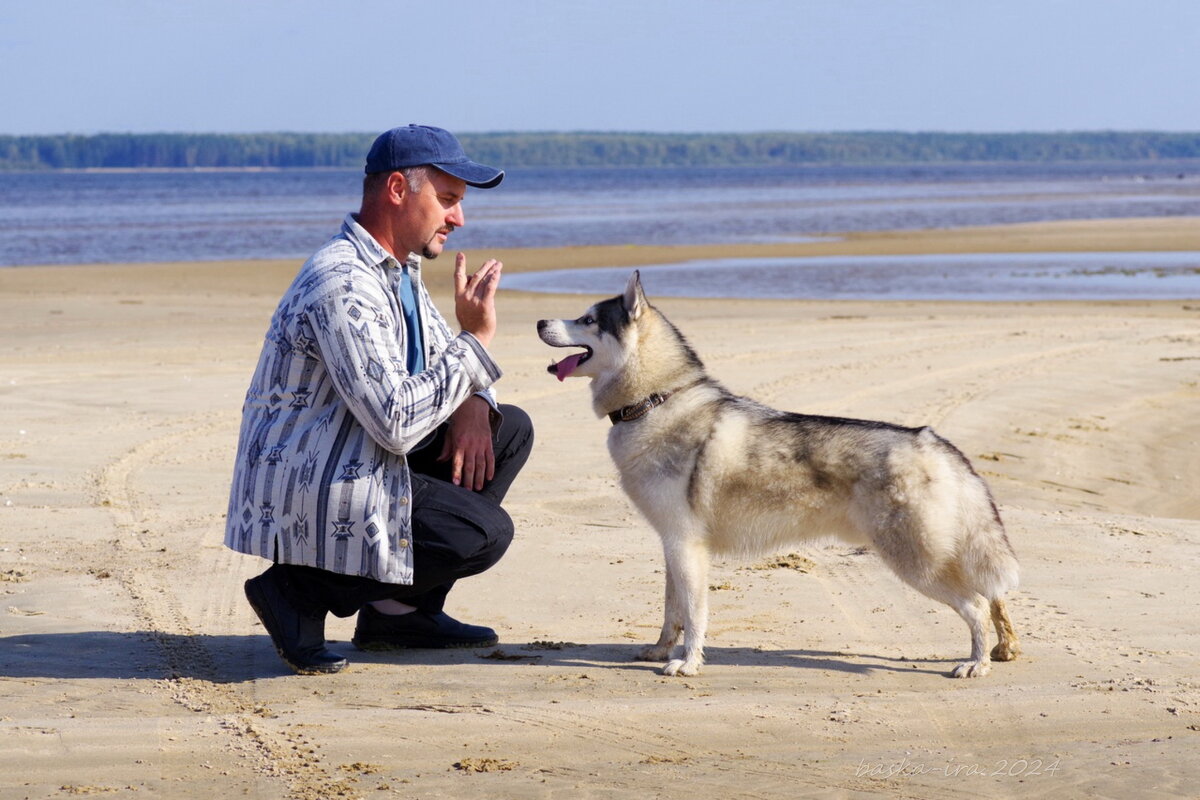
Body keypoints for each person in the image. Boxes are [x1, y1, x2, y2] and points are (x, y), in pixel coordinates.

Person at [225, 124, 533, 674]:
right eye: (448, 200)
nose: (458, 219)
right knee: (482, 535)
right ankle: (294, 591)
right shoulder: (343, 280)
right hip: (312, 486)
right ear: (397, 190)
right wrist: (476, 342)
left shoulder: (399, 272)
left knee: (506, 428)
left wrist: (475, 400)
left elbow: (452, 363)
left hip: (357, 458)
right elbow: (396, 420)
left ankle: (399, 613)